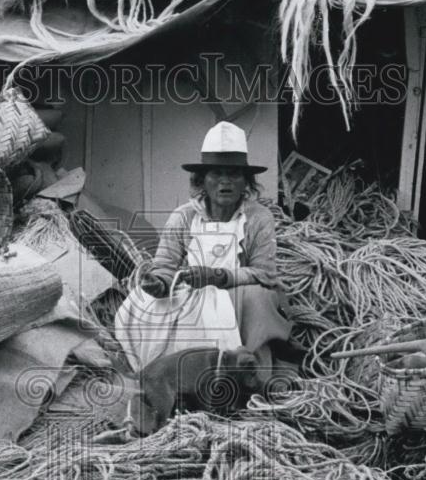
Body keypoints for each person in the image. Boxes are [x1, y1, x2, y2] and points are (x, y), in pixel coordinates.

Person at [114, 121, 292, 373]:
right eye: (216, 174)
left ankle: (252, 375)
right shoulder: (183, 216)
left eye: (233, 174)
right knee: (139, 303)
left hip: (240, 293)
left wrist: (219, 277)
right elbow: (165, 266)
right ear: (202, 180)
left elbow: (265, 274)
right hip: (193, 291)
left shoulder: (258, 217)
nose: (225, 182)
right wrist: (159, 283)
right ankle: (170, 372)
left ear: (246, 182)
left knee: (256, 298)